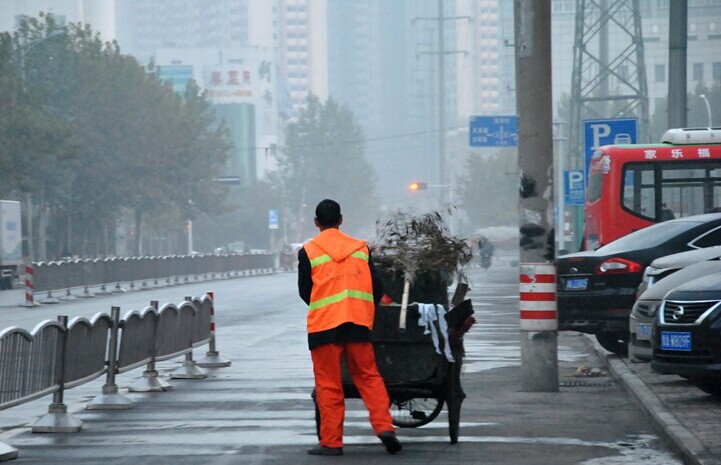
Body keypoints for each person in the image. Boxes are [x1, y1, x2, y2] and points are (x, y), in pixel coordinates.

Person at [297, 199, 402, 456]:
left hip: (324, 326)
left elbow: (305, 291)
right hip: (357, 323)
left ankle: (332, 442)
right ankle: (384, 427)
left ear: (316, 222)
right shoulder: (360, 248)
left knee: (329, 384)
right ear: (341, 220)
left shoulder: (308, 251)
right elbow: (377, 288)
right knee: (368, 376)